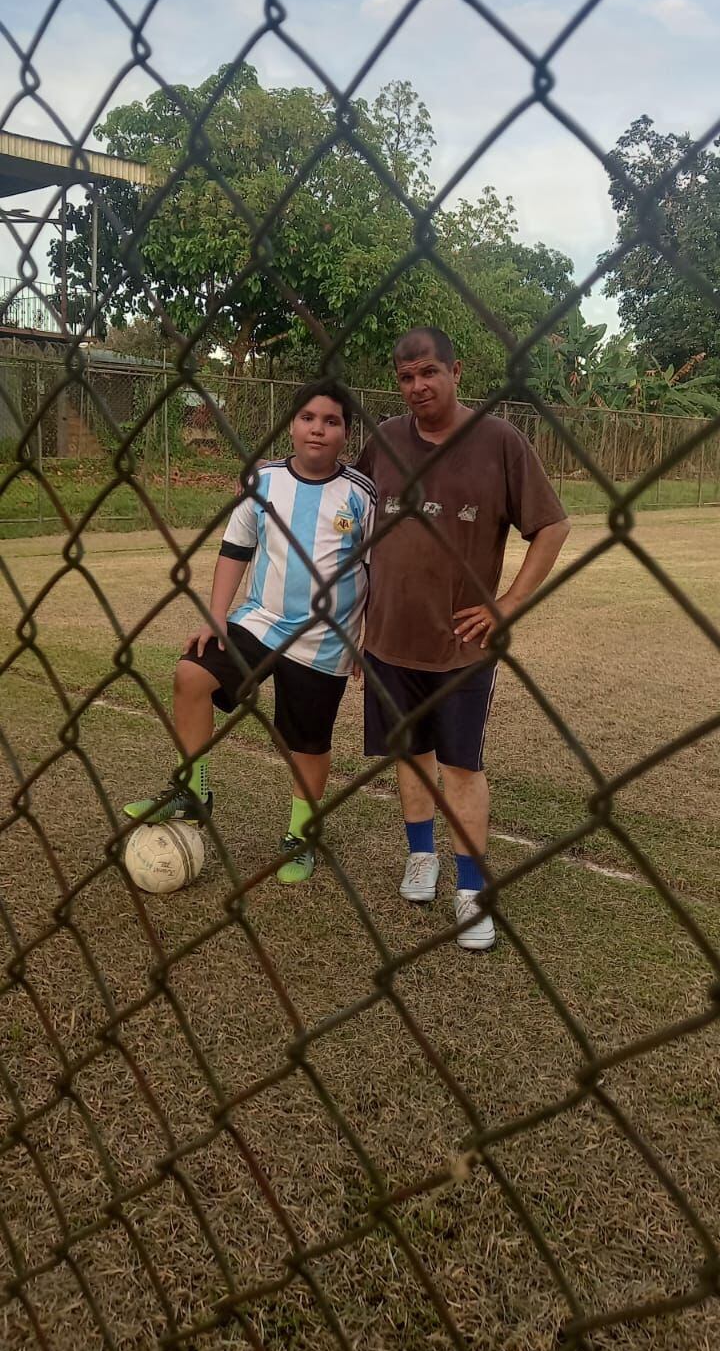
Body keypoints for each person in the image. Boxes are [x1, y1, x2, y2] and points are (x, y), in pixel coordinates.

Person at [355, 326, 570, 949]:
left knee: (461, 766)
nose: (417, 386)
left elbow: (552, 526)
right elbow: (348, 506)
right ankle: (421, 857)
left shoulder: (499, 442)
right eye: (406, 377)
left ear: (456, 371)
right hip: (387, 638)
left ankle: (472, 890)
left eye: (429, 372)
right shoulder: (385, 440)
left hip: (461, 646)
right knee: (410, 754)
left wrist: (508, 604)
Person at [124, 383, 376, 884]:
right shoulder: (264, 481)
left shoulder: (361, 494)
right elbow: (236, 547)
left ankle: (300, 835)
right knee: (191, 674)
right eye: (307, 418)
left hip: (325, 638)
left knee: (308, 742)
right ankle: (194, 791)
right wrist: (217, 614)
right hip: (260, 621)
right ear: (291, 425)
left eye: (331, 421)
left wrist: (367, 638)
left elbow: (377, 570)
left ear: (346, 433)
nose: (318, 429)